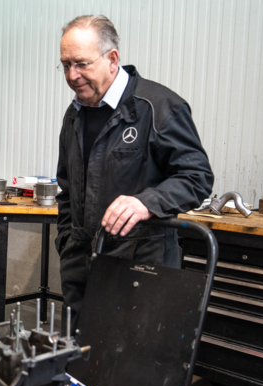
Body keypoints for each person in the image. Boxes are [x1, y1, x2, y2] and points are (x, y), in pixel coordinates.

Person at [55, 15, 213, 331]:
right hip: (81, 267)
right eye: (66, 65)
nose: (73, 75)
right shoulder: (74, 115)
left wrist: (146, 202)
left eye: (82, 64)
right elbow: (68, 189)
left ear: (112, 59)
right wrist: (67, 241)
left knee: (128, 369)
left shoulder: (159, 107)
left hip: (140, 269)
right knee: (76, 363)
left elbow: (197, 177)